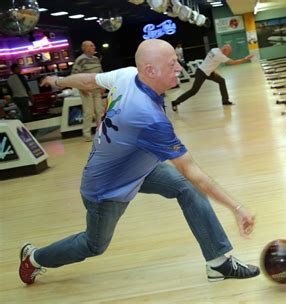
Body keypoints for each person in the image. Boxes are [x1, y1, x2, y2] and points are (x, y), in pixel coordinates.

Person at [19, 39, 260, 285]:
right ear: (150, 71)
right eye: (172, 64)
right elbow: (191, 170)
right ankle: (35, 258)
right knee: (94, 245)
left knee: (187, 188)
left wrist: (58, 81)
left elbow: (89, 81)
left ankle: (218, 263)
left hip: (139, 168)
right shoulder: (147, 116)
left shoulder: (127, 75)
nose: (179, 68)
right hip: (107, 188)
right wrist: (237, 208)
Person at [171, 44, 254, 111]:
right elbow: (234, 62)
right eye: (229, 52)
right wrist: (246, 58)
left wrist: (212, 70)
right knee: (194, 91)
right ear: (225, 50)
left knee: (221, 81)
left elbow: (210, 61)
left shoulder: (214, 50)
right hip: (202, 72)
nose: (229, 54)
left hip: (209, 72)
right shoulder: (220, 55)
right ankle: (175, 102)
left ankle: (225, 101)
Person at [72, 40, 104, 141]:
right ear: (85, 48)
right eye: (91, 45)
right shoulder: (80, 60)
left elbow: (101, 73)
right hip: (86, 90)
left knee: (99, 111)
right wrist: (81, 88)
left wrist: (102, 86)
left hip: (96, 89)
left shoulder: (96, 59)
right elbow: (74, 75)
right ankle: (86, 135)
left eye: (93, 45)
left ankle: (101, 132)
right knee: (89, 112)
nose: (94, 47)